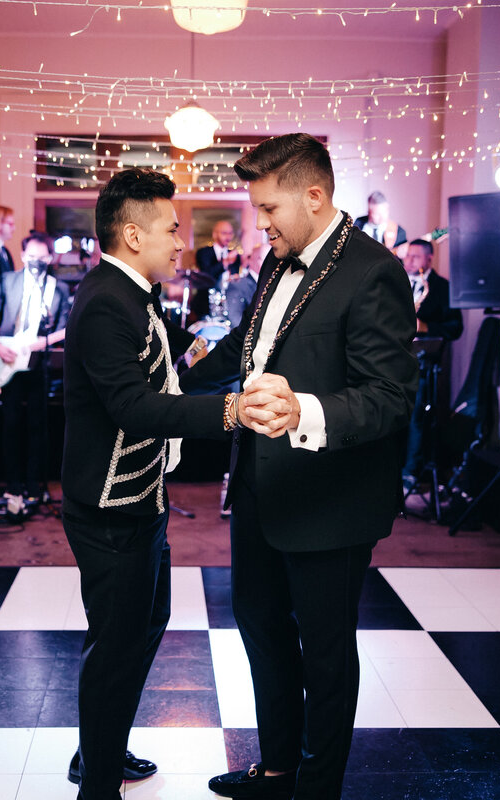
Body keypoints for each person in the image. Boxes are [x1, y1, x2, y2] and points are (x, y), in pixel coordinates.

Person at [180, 134, 418, 800]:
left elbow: (392, 398)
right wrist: (171, 377)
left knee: (326, 653)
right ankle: (278, 768)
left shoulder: (374, 271)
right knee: (260, 630)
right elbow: (246, 345)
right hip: (259, 487)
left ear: (314, 196)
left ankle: (318, 789)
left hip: (330, 500)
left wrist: (303, 410)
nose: (261, 225)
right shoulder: (274, 265)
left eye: (269, 209)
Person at [60, 167, 279, 800]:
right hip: (109, 507)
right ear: (132, 233)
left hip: (141, 497)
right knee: (115, 644)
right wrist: (233, 412)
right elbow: (134, 406)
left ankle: (99, 744)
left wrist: (259, 334)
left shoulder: (135, 293)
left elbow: (184, 358)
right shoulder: (105, 301)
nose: (181, 239)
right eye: (171, 228)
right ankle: (95, 782)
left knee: (144, 625)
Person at [0, 231, 70, 517]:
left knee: (38, 426)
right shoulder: (8, 281)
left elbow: (67, 326)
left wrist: (45, 341)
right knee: (10, 424)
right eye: (31, 256)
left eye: (42, 257)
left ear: (50, 257)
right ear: (22, 256)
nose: (36, 262)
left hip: (38, 364)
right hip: (9, 360)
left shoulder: (59, 288)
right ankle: (13, 486)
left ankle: (34, 487)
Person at [400, 238, 464, 492]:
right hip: (393, 361)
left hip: (423, 364)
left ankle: (410, 473)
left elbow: (455, 327)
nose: (410, 261)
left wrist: (425, 327)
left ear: (429, 260)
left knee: (415, 418)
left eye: (416, 257)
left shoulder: (442, 288)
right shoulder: (397, 282)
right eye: (408, 256)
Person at [195, 219, 242, 283]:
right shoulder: (203, 252)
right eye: (224, 233)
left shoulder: (235, 255)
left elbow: (235, 277)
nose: (228, 237)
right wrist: (226, 261)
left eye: (230, 233)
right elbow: (206, 276)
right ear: (215, 234)